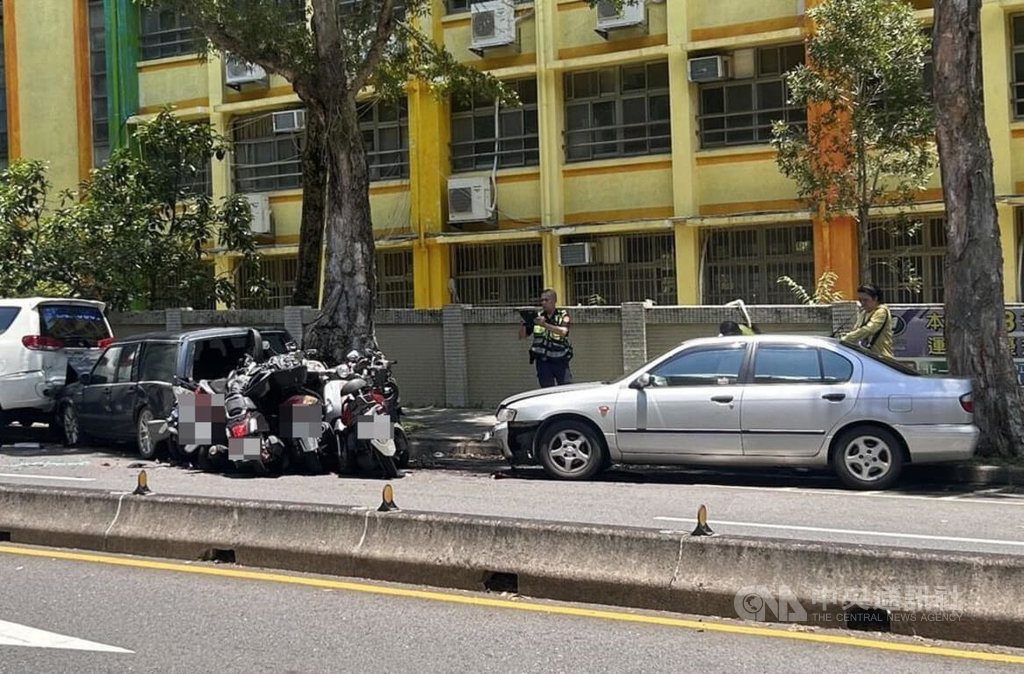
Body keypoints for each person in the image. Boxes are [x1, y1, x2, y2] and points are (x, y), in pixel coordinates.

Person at [518, 289, 573, 388]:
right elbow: (522, 336)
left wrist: (545, 325)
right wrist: (523, 323)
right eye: (542, 300)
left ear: (554, 301)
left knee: (566, 389)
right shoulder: (538, 317)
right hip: (543, 362)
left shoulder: (563, 315)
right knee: (546, 391)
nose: (543, 303)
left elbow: (564, 332)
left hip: (560, 360)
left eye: (546, 300)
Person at [841, 283, 894, 358]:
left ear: (875, 298)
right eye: (860, 300)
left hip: (882, 358)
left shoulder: (881, 311)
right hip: (867, 357)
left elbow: (869, 329)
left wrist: (846, 339)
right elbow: (856, 330)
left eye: (865, 300)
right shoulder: (864, 312)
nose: (862, 303)